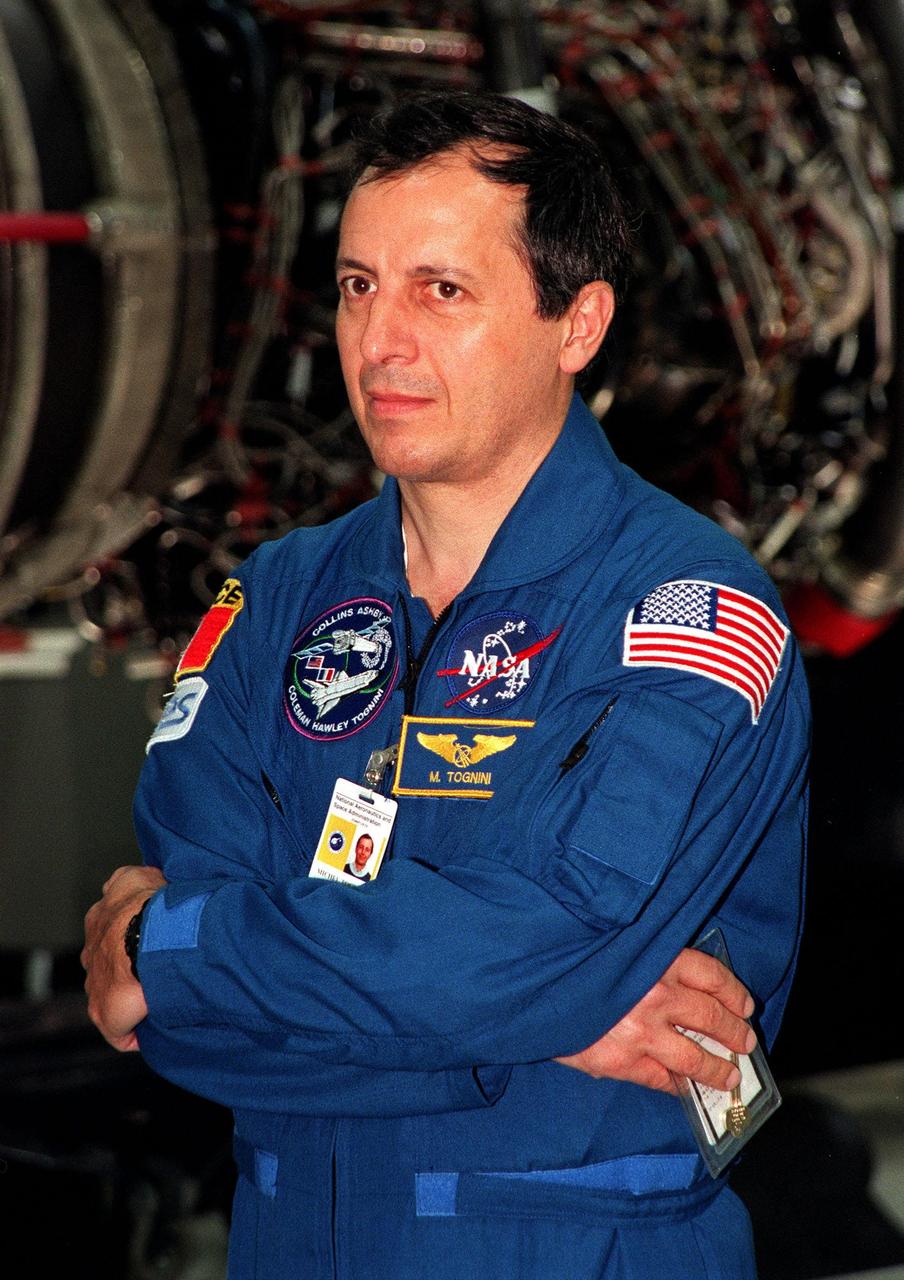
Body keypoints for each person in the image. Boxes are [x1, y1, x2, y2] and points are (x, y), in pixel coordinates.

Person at [82, 91, 809, 1279]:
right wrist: (535, 1023)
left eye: (442, 290)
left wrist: (172, 943)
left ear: (576, 323)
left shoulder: (683, 611)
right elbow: (175, 1027)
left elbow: (550, 942)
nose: (380, 340)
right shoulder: (272, 602)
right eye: (358, 284)